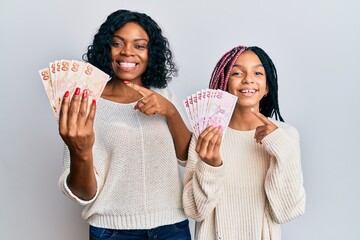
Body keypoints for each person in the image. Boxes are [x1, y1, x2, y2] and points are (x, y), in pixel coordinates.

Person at [58, 9, 192, 239]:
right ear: (105, 48)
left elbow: (188, 157)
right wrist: (79, 151)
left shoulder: (163, 94)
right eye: (117, 43)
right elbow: (83, 194)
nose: (127, 52)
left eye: (139, 45)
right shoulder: (87, 102)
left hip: (173, 228)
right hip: (113, 231)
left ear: (151, 53)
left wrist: (170, 111)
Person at [182, 45, 306, 239]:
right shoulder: (205, 135)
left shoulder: (286, 136)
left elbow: (286, 212)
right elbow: (194, 211)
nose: (248, 79)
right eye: (237, 73)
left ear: (267, 87)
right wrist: (211, 166)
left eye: (258, 72)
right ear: (225, 84)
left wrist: (281, 146)